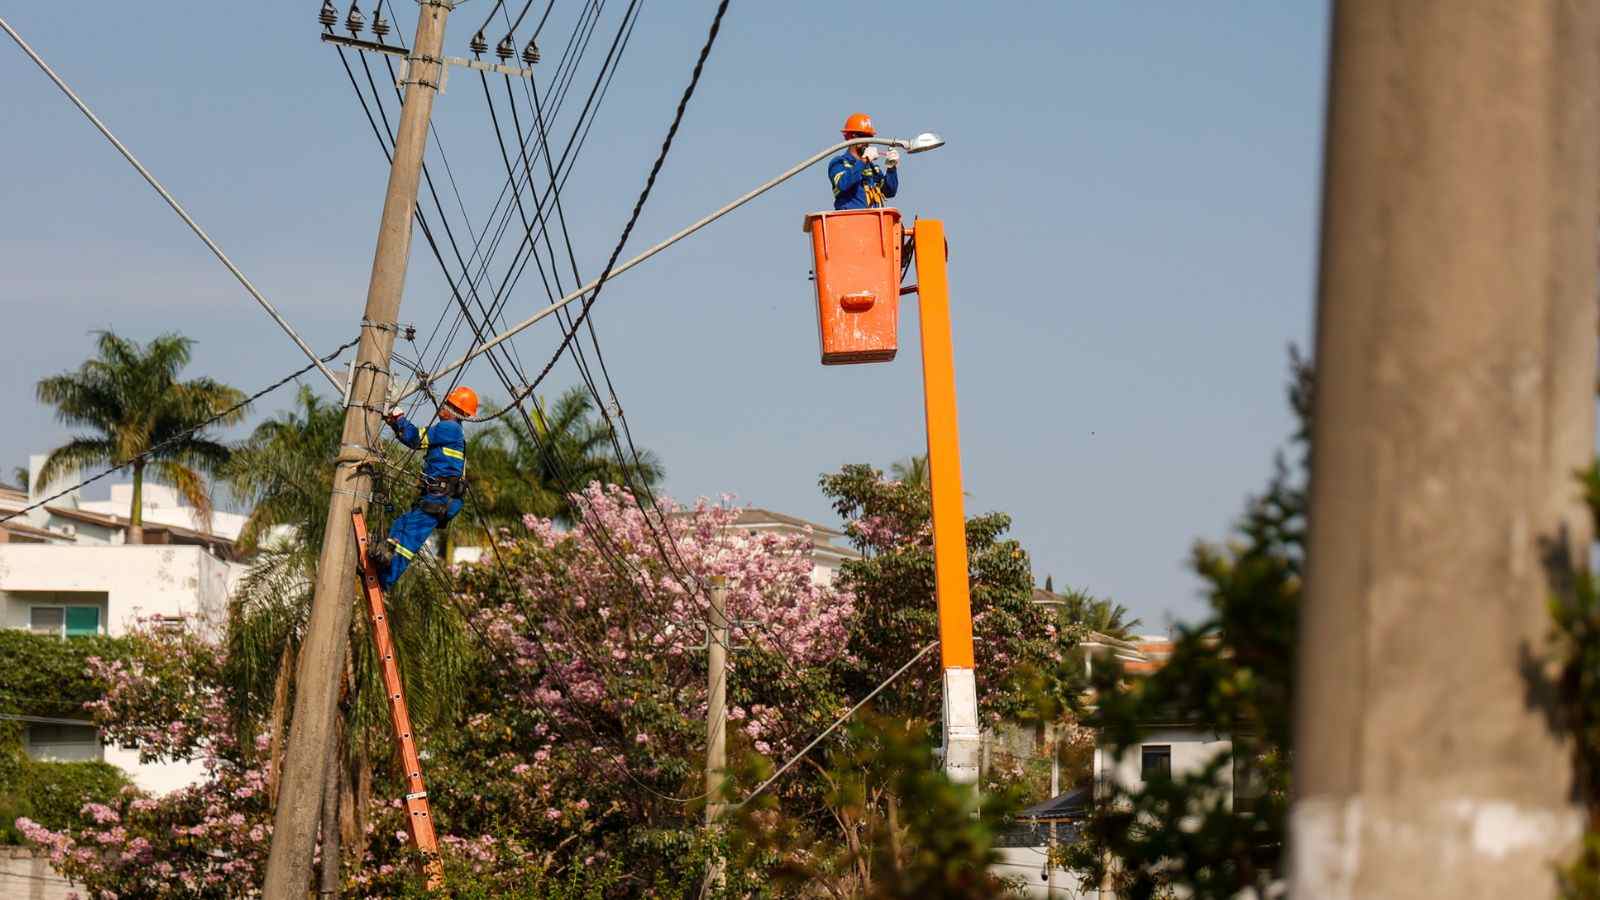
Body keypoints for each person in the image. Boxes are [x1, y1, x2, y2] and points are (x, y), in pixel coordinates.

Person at [367, 385, 477, 590]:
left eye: (447, 404)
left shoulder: (449, 428)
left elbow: (416, 439)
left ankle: (384, 580)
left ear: (455, 410)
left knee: (410, 536)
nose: (441, 407)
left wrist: (398, 417)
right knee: (402, 524)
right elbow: (413, 440)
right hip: (439, 495)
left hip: (441, 497)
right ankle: (383, 564)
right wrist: (395, 424)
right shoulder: (452, 431)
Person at [828, 112, 899, 211]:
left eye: (869, 138)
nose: (868, 143)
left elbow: (890, 191)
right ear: (853, 137)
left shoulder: (872, 168)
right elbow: (843, 184)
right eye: (865, 137)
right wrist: (864, 160)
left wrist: (891, 168)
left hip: (873, 222)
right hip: (850, 221)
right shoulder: (838, 163)